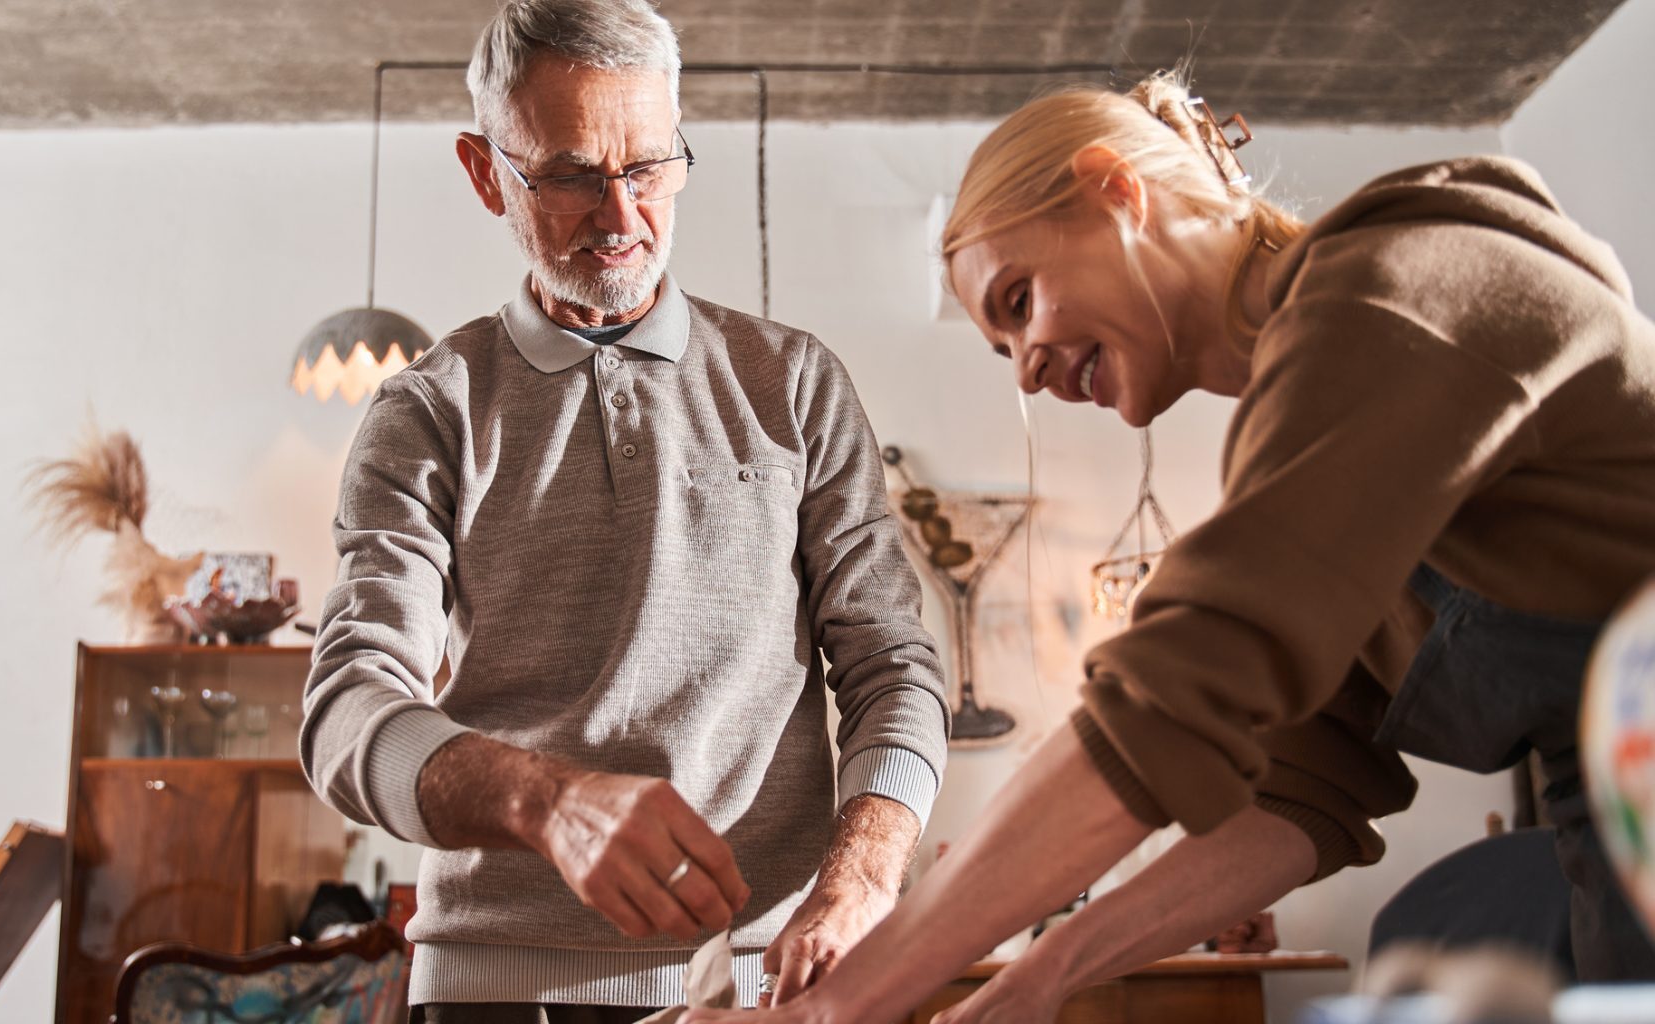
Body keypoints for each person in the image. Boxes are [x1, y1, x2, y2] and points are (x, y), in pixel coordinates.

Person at [686, 70, 1655, 1024]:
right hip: (1615, 840)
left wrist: (840, 1007)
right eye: (1001, 346)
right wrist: (1040, 977)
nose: (1026, 369)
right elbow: (1301, 794)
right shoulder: (1315, 433)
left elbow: (1164, 708)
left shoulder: (1392, 288)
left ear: (1117, 190)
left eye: (1020, 299)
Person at [299, 1, 951, 1020]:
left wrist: (864, 873)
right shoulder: (426, 411)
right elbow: (347, 711)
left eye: (648, 166)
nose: (619, 215)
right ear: (486, 173)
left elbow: (895, 666)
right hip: (493, 991)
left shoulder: (796, 383)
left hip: (766, 986)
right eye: (567, 174)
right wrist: (547, 800)